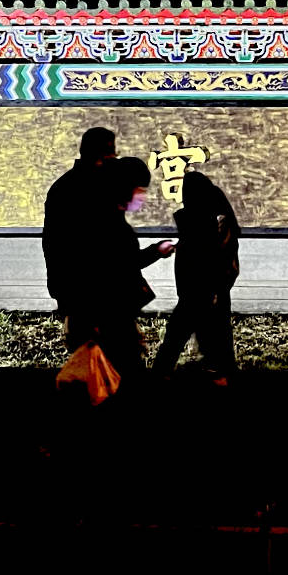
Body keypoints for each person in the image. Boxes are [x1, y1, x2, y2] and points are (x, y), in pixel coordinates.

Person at [62, 157, 175, 390]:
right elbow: (115, 267)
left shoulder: (101, 217)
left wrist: (156, 251)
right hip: (108, 316)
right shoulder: (108, 225)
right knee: (122, 373)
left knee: (116, 374)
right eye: (139, 190)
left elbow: (123, 262)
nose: (142, 197)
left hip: (108, 315)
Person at [151, 170, 240, 384]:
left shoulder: (199, 222)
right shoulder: (216, 222)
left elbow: (204, 259)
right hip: (210, 290)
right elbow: (224, 260)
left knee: (178, 335)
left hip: (199, 289)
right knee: (216, 336)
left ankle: (161, 374)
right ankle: (222, 373)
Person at [43, 126, 116, 322]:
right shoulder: (75, 189)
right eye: (110, 151)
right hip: (83, 287)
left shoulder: (68, 185)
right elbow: (56, 243)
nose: (114, 156)